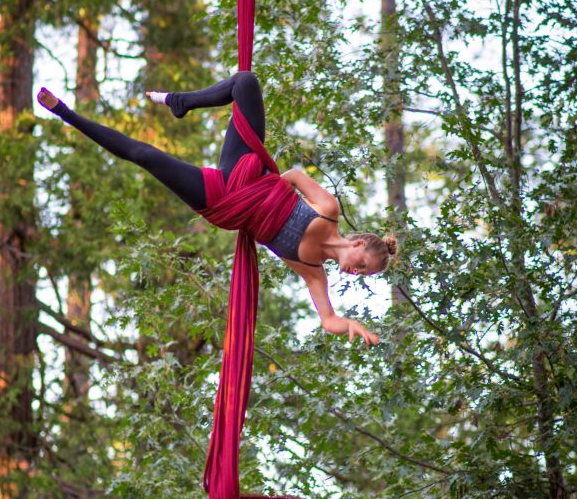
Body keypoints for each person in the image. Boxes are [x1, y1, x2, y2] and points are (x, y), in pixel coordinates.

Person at [37, 71, 397, 346]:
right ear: (359, 245)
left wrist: (351, 325)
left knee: (144, 156)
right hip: (247, 174)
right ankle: (183, 102)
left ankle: (65, 113)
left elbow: (327, 319)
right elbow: (291, 175)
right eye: (363, 266)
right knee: (245, 82)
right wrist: (263, 192)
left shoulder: (312, 271)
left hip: (222, 201)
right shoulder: (328, 209)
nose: (356, 273)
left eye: (364, 275)